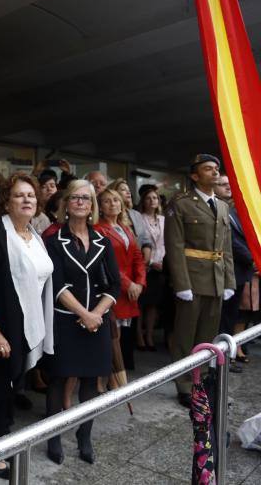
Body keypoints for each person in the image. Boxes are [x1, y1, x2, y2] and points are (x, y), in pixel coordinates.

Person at [0, 174, 54, 480]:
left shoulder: (34, 235)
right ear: (6, 201)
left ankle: (3, 441)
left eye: (31, 195)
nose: (26, 200)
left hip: (26, 322)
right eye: (19, 195)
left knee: (9, 388)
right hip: (2, 325)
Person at [43, 179, 120, 465]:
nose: (79, 202)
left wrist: (97, 313)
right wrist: (84, 314)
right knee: (59, 379)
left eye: (85, 199)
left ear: (92, 207)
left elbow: (114, 285)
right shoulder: (53, 240)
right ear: (66, 204)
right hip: (67, 321)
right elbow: (57, 284)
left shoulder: (103, 241)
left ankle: (84, 436)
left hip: (97, 322)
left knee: (92, 382)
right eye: (74, 197)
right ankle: (52, 437)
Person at [165, 154, 235, 407]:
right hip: (192, 281)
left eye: (216, 169)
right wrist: (182, 285)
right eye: (208, 169)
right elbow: (174, 246)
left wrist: (229, 281)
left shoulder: (223, 206)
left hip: (216, 280)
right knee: (186, 336)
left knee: (208, 336)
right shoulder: (181, 203)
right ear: (195, 175)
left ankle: (202, 381)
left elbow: (225, 248)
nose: (215, 173)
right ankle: (184, 385)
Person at [97, 189, 145, 370]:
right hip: (113, 288)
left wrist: (140, 283)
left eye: (116, 200)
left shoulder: (125, 228)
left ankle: (115, 376)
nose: (113, 204)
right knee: (111, 335)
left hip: (130, 290)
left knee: (119, 335)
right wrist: (128, 283)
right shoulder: (98, 229)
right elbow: (106, 263)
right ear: (100, 207)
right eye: (107, 201)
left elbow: (137, 257)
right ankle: (110, 377)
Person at [214, 175, 253, 371]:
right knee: (220, 319)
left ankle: (226, 360)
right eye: (223, 184)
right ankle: (218, 362)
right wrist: (253, 260)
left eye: (230, 184)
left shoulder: (235, 211)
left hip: (240, 273)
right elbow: (231, 242)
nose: (228, 188)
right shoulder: (215, 208)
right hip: (225, 272)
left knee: (230, 318)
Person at [136, 185, 166, 351]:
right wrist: (151, 261)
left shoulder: (163, 219)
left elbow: (166, 242)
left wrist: (164, 262)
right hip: (146, 266)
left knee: (153, 304)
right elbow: (140, 243)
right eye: (148, 198)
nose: (152, 200)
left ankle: (149, 335)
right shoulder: (139, 218)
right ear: (143, 201)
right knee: (141, 303)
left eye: (155, 198)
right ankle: (139, 335)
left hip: (161, 267)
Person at [107, 178, 152, 262]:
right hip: (118, 262)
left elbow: (145, 238)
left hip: (138, 263)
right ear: (114, 193)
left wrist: (147, 249)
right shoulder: (110, 215)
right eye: (123, 190)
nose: (128, 192)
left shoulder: (136, 214)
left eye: (128, 190)